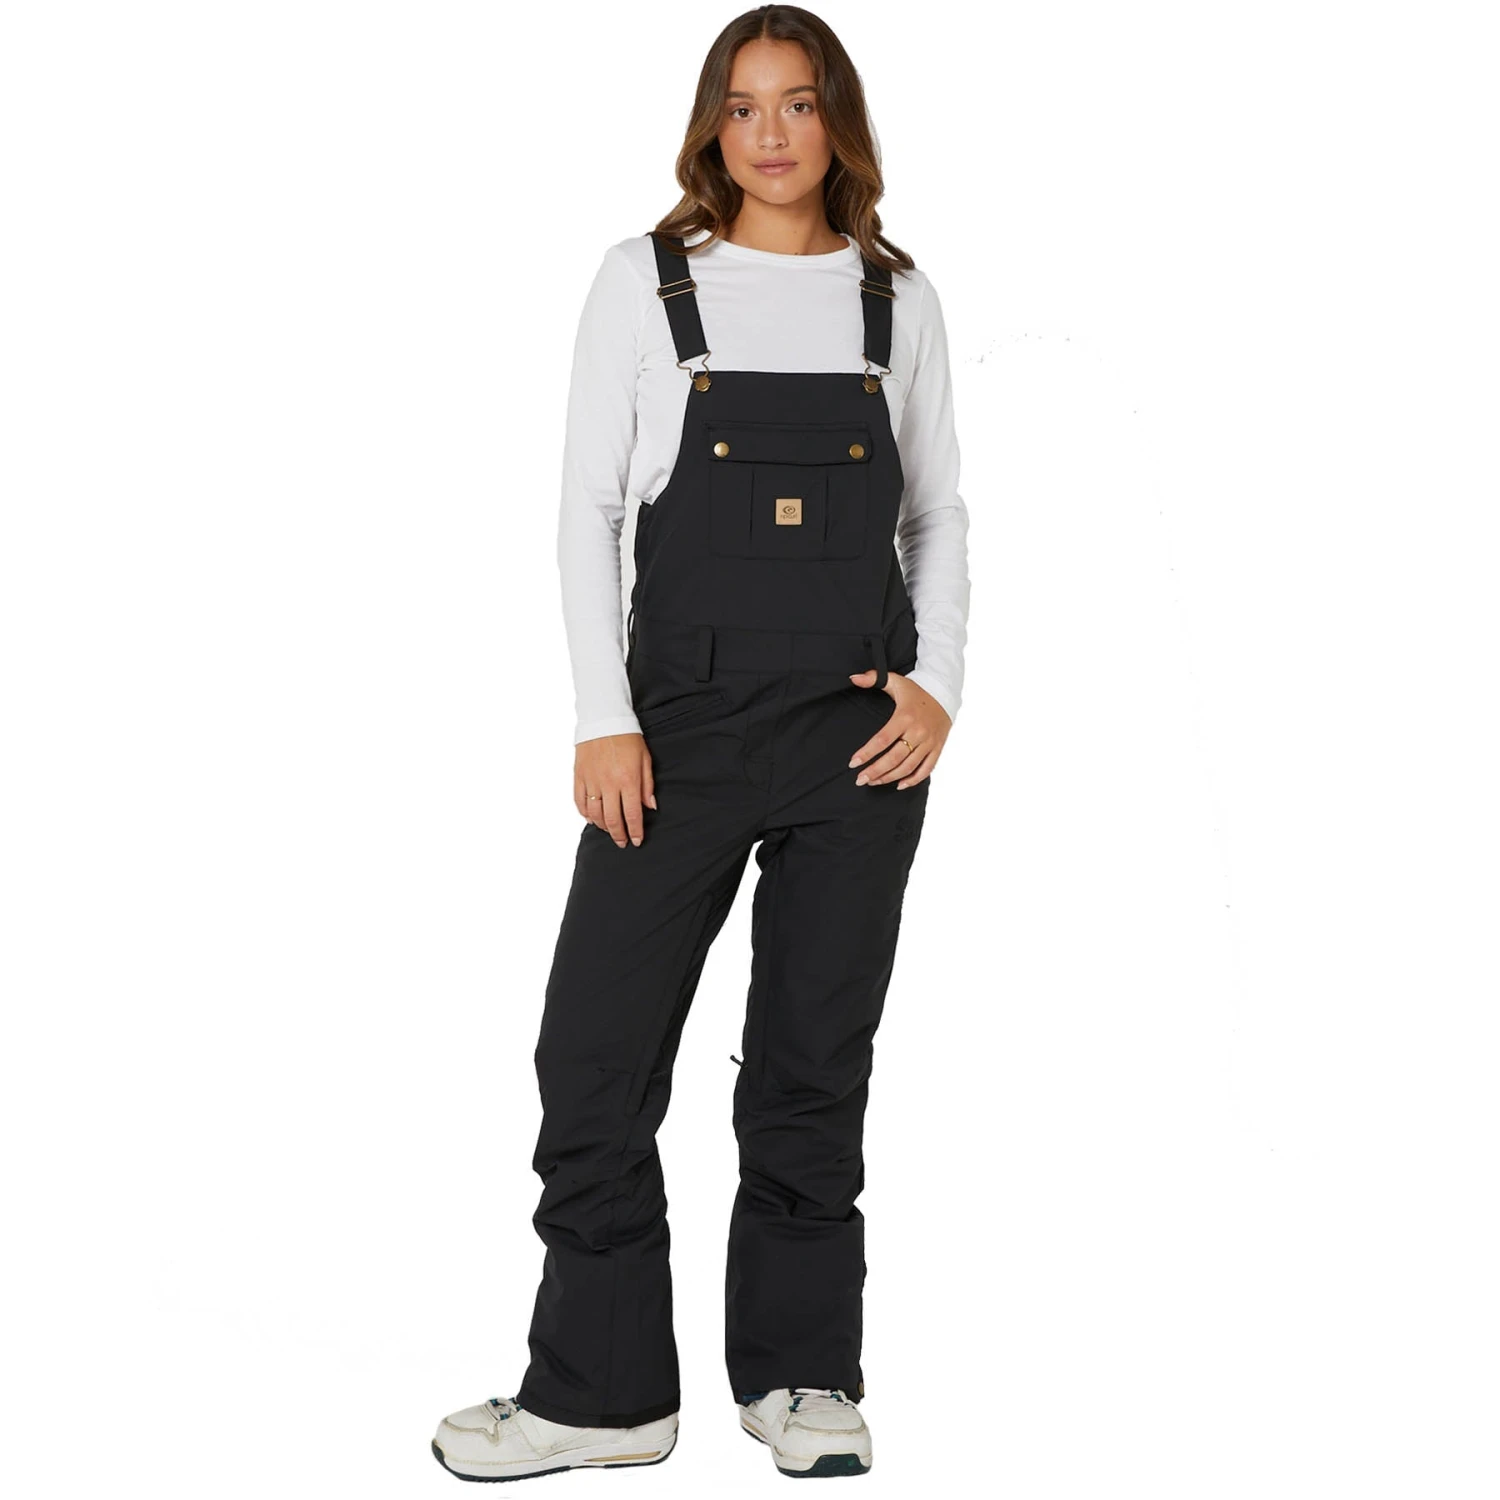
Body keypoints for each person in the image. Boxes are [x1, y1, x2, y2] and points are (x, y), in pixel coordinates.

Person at [433, 5, 969, 1482]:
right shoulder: (645, 280)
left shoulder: (896, 299)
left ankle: (801, 1379)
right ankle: (602, 1393)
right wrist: (604, 717)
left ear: (838, 120)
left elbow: (937, 511)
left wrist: (938, 685)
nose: (771, 133)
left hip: (857, 746)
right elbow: (587, 510)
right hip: (676, 737)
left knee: (812, 1062)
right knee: (593, 1059)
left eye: (798, 103)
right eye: (743, 107)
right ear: (710, 128)